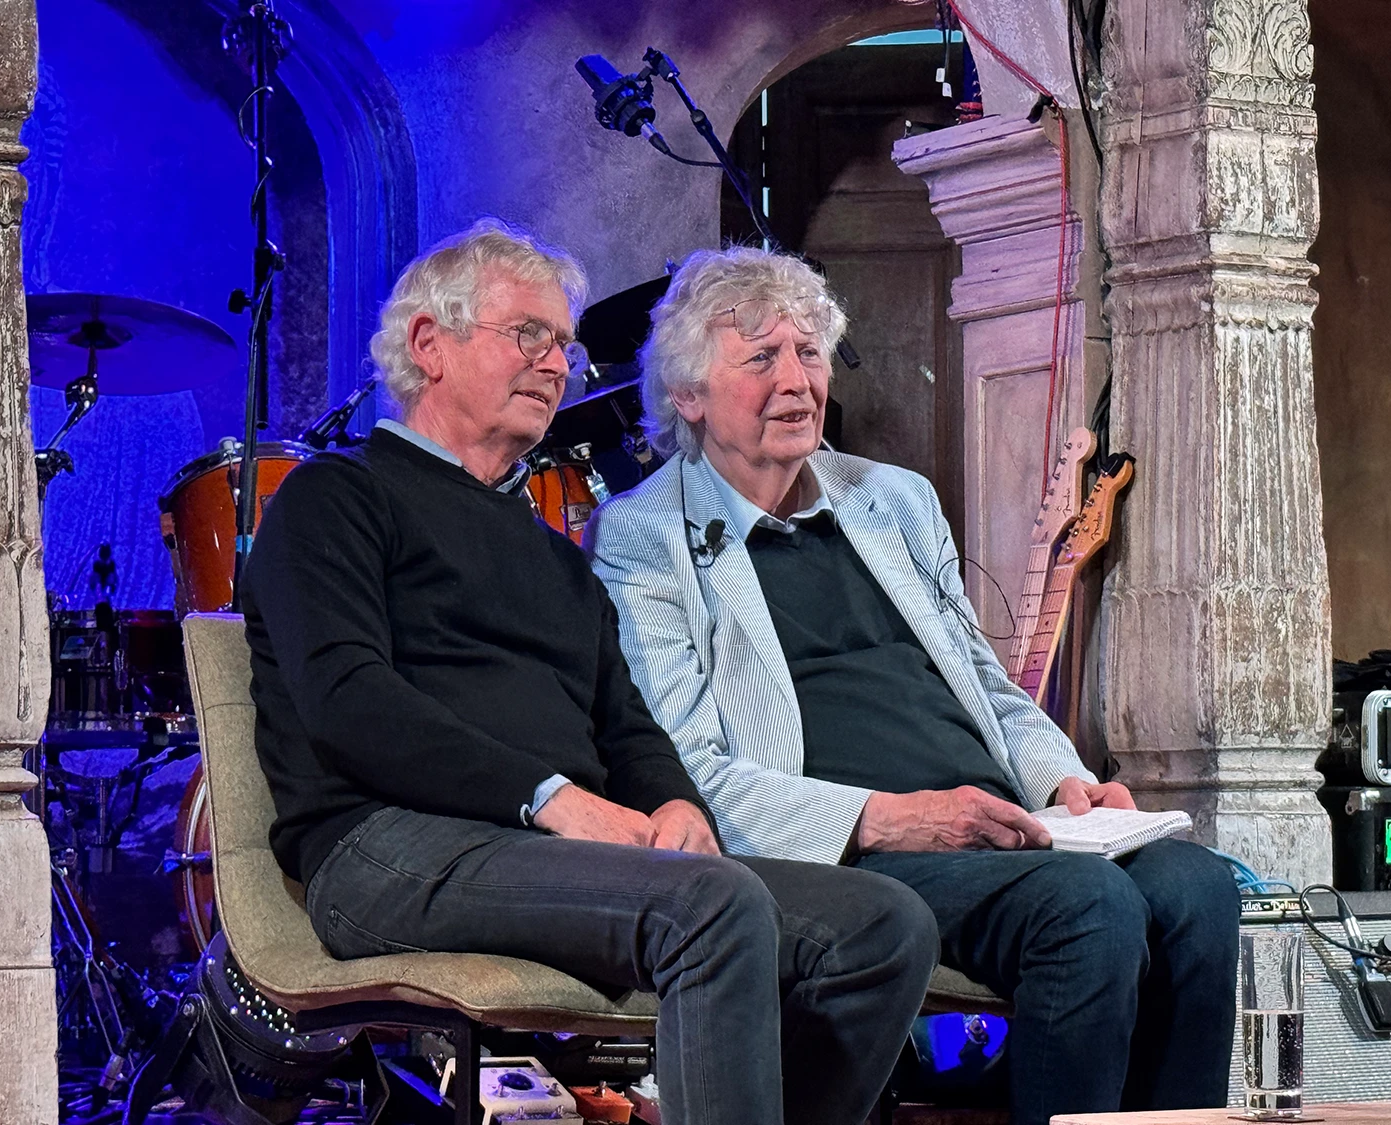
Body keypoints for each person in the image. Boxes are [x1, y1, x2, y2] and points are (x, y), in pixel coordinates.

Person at [240, 220, 939, 1125]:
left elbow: (625, 723)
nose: (556, 363)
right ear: (429, 344)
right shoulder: (337, 497)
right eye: (528, 334)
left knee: (884, 926)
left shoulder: (553, 553)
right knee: (712, 907)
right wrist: (551, 798)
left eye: (564, 345)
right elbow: (350, 703)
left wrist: (676, 804)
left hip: (539, 851)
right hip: (385, 845)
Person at [587, 246, 1241, 1125]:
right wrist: (890, 816)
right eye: (761, 357)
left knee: (1198, 889)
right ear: (688, 394)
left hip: (996, 818)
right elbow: (688, 770)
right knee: (1088, 908)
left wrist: (1063, 781)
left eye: (809, 352)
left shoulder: (892, 498)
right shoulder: (646, 536)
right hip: (852, 848)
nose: (796, 381)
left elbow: (984, 682)